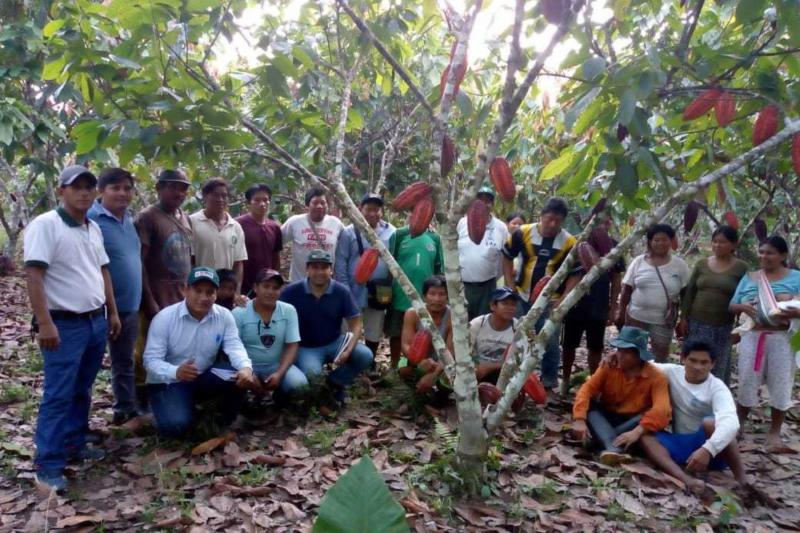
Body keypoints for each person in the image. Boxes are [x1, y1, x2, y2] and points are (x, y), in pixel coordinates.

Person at [24, 165, 122, 492]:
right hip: (64, 323)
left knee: (83, 388)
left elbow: (102, 272)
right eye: (76, 186)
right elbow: (35, 275)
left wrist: (112, 312)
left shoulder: (92, 227)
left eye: (88, 187)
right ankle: (47, 465)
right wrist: (46, 322)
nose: (83, 192)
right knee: (58, 393)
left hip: (94, 320)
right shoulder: (46, 225)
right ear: (61, 190)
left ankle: (74, 445)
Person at [143, 267, 258, 438]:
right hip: (168, 381)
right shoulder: (164, 318)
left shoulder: (224, 316)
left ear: (216, 294)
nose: (203, 297)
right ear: (185, 290)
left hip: (203, 375)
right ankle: (167, 411)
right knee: (175, 426)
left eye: (210, 292)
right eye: (198, 291)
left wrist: (246, 368)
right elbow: (150, 361)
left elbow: (234, 346)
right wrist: (176, 371)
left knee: (238, 375)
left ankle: (221, 421)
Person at [638, 340, 758, 497]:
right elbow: (643, 365)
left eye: (704, 362)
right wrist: (615, 356)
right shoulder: (672, 372)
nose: (697, 367)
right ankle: (687, 480)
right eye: (692, 360)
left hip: (711, 448)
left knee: (712, 423)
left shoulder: (717, 387)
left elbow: (731, 422)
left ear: (712, 364)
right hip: (683, 443)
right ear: (683, 359)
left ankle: (743, 481)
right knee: (645, 436)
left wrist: (708, 449)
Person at [729, 235, 800, 452]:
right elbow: (732, 305)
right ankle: (737, 426)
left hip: (782, 338)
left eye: (769, 253)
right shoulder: (750, 277)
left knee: (781, 383)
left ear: (782, 256)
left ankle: (774, 433)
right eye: (761, 252)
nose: (763, 256)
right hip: (753, 336)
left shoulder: (796, 277)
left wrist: (794, 309)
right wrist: (743, 307)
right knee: (747, 380)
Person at [279, 250, 373, 406]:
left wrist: (348, 350)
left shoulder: (341, 291)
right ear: (307, 269)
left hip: (334, 341)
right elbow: (274, 312)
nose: (320, 272)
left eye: (324, 267)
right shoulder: (291, 292)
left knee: (365, 355)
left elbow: (356, 324)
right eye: (315, 267)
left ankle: (336, 382)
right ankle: (320, 391)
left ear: (331, 270)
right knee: (313, 376)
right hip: (306, 347)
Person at [134, 169, 194, 409]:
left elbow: (189, 259)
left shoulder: (185, 218)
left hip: (179, 296)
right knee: (145, 351)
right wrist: (149, 300)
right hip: (155, 297)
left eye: (183, 188)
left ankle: (168, 394)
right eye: (172, 186)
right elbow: (139, 262)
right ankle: (140, 402)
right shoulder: (147, 217)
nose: (178, 193)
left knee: (174, 348)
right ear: (158, 188)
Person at [502, 197, 576, 389]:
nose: (552, 224)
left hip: (552, 300)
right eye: (549, 219)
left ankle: (549, 380)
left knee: (549, 340)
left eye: (557, 221)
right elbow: (507, 256)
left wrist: (564, 299)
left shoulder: (569, 242)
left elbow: (575, 273)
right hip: (521, 295)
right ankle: (510, 377)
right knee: (515, 335)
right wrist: (510, 285)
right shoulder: (522, 232)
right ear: (541, 216)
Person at [87, 168, 141, 425]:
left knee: (124, 359)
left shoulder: (129, 220)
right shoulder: (90, 219)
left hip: (130, 304)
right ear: (101, 190)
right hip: (101, 307)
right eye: (115, 188)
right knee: (88, 366)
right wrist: (111, 309)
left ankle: (125, 408)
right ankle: (77, 427)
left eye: (127, 188)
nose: (122, 193)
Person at [570, 326, 671, 466]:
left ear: (639, 355)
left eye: (627, 352)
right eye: (619, 350)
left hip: (632, 422)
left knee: (648, 414)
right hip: (605, 415)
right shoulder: (609, 365)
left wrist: (637, 431)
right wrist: (579, 419)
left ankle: (603, 443)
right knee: (589, 404)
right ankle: (613, 447)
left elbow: (662, 410)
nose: (620, 355)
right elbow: (587, 389)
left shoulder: (656, 377)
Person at [561, 217, 625, 395]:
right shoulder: (575, 243)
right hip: (575, 304)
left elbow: (616, 278)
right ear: (587, 224)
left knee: (595, 347)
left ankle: (594, 383)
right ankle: (565, 381)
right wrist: (562, 302)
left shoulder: (614, 247)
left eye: (605, 223)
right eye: (596, 223)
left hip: (599, 304)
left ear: (610, 224)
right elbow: (562, 273)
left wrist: (613, 308)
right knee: (568, 345)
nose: (601, 228)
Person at [676, 226, 747, 384]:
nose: (717, 245)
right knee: (694, 362)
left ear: (733, 245)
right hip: (697, 324)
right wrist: (683, 318)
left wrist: (740, 328)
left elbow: (746, 296)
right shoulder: (701, 264)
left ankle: (714, 401)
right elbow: (690, 293)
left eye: (722, 242)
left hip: (723, 326)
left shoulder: (741, 268)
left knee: (717, 366)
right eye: (714, 241)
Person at [615, 223, 690, 362]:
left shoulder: (680, 265)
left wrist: (684, 318)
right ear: (650, 242)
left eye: (665, 239)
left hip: (663, 320)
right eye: (656, 240)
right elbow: (627, 288)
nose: (660, 243)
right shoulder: (638, 262)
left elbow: (686, 294)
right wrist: (620, 311)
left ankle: (656, 381)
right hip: (636, 316)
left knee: (660, 356)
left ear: (671, 241)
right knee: (632, 351)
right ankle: (632, 381)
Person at [232, 269, 308, 402]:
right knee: (238, 384)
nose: (270, 292)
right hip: (247, 365)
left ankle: (278, 400)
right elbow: (232, 347)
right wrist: (246, 370)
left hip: (276, 365)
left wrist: (279, 374)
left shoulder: (289, 311)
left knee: (299, 385)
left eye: (275, 288)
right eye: (266, 286)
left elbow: (292, 345)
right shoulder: (239, 312)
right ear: (255, 287)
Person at [335, 193, 396, 356]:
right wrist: (344, 290)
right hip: (354, 288)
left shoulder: (391, 232)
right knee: (347, 326)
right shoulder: (349, 232)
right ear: (360, 209)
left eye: (377, 209)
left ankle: (370, 362)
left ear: (381, 211)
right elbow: (341, 261)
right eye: (368, 209)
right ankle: (344, 358)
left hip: (379, 290)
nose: (372, 213)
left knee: (374, 326)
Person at [385, 215, 444, 367]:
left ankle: (420, 365)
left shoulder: (435, 237)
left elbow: (438, 268)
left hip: (426, 296)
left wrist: (439, 292)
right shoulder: (399, 234)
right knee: (396, 332)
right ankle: (394, 365)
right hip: (400, 293)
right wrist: (387, 288)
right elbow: (389, 261)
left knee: (424, 332)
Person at [190, 178, 247, 300]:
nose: (220, 199)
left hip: (226, 292)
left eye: (224, 196)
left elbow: (239, 263)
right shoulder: (192, 222)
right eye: (215, 195)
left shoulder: (235, 226)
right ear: (204, 197)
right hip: (201, 291)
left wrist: (236, 292)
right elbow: (190, 260)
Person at [457, 186, 509, 320]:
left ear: (492, 204)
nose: (483, 204)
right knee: (461, 324)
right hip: (461, 286)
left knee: (483, 324)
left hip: (487, 287)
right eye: (479, 200)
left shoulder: (501, 228)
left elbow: (505, 259)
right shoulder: (461, 223)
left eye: (487, 201)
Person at [399, 276, 454, 395]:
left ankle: (439, 393)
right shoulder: (412, 313)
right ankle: (413, 389)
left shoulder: (452, 317)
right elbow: (405, 345)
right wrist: (419, 362)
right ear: (424, 296)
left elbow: (450, 352)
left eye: (442, 294)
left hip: (443, 361)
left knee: (447, 380)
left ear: (448, 297)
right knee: (403, 368)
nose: (437, 299)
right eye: (432, 294)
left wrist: (434, 374)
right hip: (417, 358)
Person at [281, 187, 345, 282]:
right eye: (315, 203)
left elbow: (345, 248)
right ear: (307, 205)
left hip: (326, 282)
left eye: (323, 203)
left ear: (327, 205)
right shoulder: (294, 222)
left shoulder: (336, 224)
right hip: (299, 282)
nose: (319, 206)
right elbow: (276, 242)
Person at [469, 287, 525, 384]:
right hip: (477, 371)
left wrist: (489, 367)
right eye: (505, 303)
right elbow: (464, 353)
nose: (510, 308)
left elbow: (520, 361)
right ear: (492, 306)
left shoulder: (518, 328)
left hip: (504, 373)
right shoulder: (477, 324)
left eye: (513, 304)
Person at [236, 184, 282, 296]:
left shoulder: (274, 227)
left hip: (267, 286)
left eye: (265, 200)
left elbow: (276, 258)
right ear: (248, 203)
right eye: (257, 200)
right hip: (244, 287)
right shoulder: (237, 225)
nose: (262, 204)